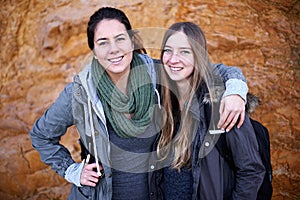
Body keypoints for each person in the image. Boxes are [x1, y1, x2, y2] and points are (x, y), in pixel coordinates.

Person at [30, 7, 249, 200]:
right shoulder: (80, 93)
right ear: (94, 52)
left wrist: (236, 91)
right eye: (102, 43)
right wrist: (72, 170)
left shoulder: (155, 73)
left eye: (120, 39)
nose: (113, 49)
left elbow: (211, 69)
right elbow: (41, 136)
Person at [153, 22, 265, 200]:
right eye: (168, 50)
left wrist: (236, 88)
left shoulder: (222, 104)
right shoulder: (159, 97)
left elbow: (251, 170)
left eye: (184, 52)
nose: (173, 59)